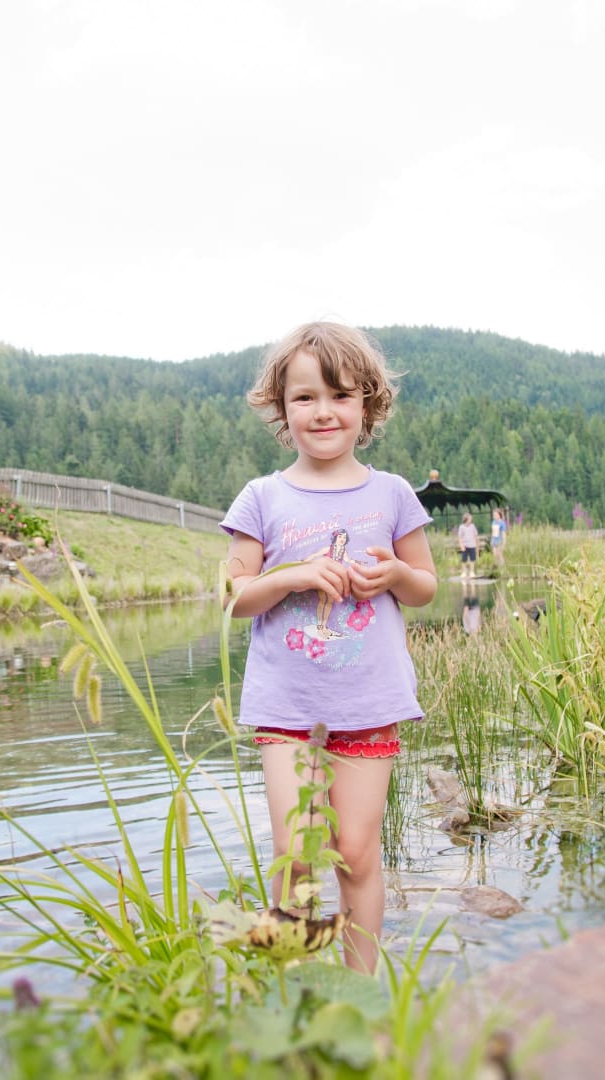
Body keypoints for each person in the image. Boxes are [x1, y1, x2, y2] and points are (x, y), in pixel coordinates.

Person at [221, 321, 437, 974]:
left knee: (358, 854)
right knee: (295, 855)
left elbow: (425, 586)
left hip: (368, 705)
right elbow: (234, 597)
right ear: (281, 407)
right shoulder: (262, 497)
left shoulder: (393, 493)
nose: (323, 411)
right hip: (288, 708)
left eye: (340, 396)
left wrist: (394, 575)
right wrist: (292, 576)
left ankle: (359, 991)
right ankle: (290, 989)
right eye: (305, 397)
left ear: (367, 404)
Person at [457, 512, 479, 580]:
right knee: (464, 560)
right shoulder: (461, 527)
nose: (471, 520)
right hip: (465, 545)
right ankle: (464, 572)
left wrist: (477, 544)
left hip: (472, 545)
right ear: (466, 519)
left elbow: (475, 535)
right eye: (470, 518)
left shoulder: (472, 526)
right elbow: (460, 537)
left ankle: (472, 572)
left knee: (472, 559)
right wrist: (461, 545)